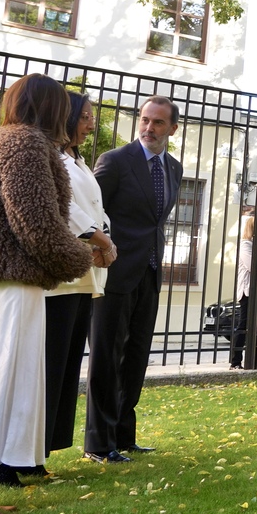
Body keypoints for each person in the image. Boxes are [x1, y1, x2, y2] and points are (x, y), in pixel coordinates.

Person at [0, 73, 93, 514]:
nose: (69, 116)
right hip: (11, 276)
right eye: (62, 108)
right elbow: (36, 224)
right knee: (0, 375)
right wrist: (85, 255)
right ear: (49, 108)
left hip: (0, 274)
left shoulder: (6, 139)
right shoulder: (26, 144)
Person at [85, 95, 183, 464]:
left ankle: (124, 435)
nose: (149, 128)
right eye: (144, 120)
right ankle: (98, 442)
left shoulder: (173, 168)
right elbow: (91, 210)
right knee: (106, 356)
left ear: (172, 129)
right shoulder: (115, 161)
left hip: (150, 271)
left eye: (158, 123)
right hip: (114, 271)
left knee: (136, 356)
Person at [29, 93, 116, 483]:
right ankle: (27, 454)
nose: (91, 124)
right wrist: (100, 241)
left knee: (64, 370)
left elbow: (96, 210)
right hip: (60, 280)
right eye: (85, 116)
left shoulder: (78, 160)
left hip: (84, 276)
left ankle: (40, 452)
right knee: (48, 368)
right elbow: (66, 211)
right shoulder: (52, 158)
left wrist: (106, 242)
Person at [229, 216, 257, 370]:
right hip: (247, 290)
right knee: (244, 325)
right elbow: (252, 266)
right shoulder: (246, 245)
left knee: (256, 325)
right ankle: (235, 361)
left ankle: (253, 359)